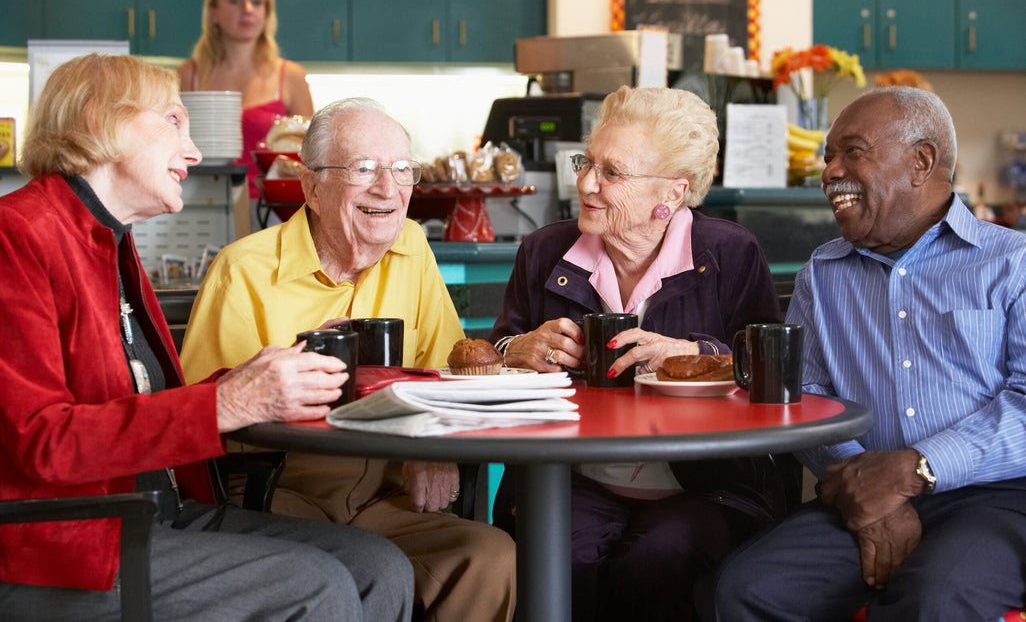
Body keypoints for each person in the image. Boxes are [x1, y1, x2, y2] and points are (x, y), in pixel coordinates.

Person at [0, 54, 412, 621]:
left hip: (157, 511)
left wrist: (257, 378)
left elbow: (137, 406)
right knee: (313, 584)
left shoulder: (110, 241)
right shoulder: (17, 235)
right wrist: (228, 401)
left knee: (380, 568)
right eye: (174, 120)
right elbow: (39, 441)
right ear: (101, 120)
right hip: (63, 545)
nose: (194, 152)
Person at [180, 97, 517, 622]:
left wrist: (432, 448)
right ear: (312, 187)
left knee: (489, 556)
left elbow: (447, 374)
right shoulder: (243, 270)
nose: (388, 188)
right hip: (279, 488)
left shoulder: (411, 246)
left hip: (386, 489)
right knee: (369, 569)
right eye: (363, 170)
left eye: (402, 169)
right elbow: (201, 421)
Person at [712, 87, 1026, 620]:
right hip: (856, 489)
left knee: (936, 602)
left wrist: (915, 469)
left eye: (852, 152)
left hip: (996, 494)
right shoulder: (822, 273)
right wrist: (866, 490)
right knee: (745, 589)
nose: (830, 172)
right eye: (828, 156)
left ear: (921, 162)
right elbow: (804, 395)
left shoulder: (1012, 262)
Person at [488, 85, 786, 622]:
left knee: (655, 562)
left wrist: (694, 354)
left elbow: (768, 371)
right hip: (573, 477)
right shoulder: (542, 251)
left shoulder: (729, 253)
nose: (585, 183)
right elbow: (492, 356)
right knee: (566, 561)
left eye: (612, 172)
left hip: (706, 485)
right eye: (587, 162)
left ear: (673, 192)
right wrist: (517, 349)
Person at [177, 0, 314, 230]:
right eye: (235, 1)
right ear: (213, 12)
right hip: (200, 206)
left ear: (267, 12)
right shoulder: (187, 76)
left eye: (256, 2)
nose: (248, 10)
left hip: (273, 214)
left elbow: (312, 157)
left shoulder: (291, 76)